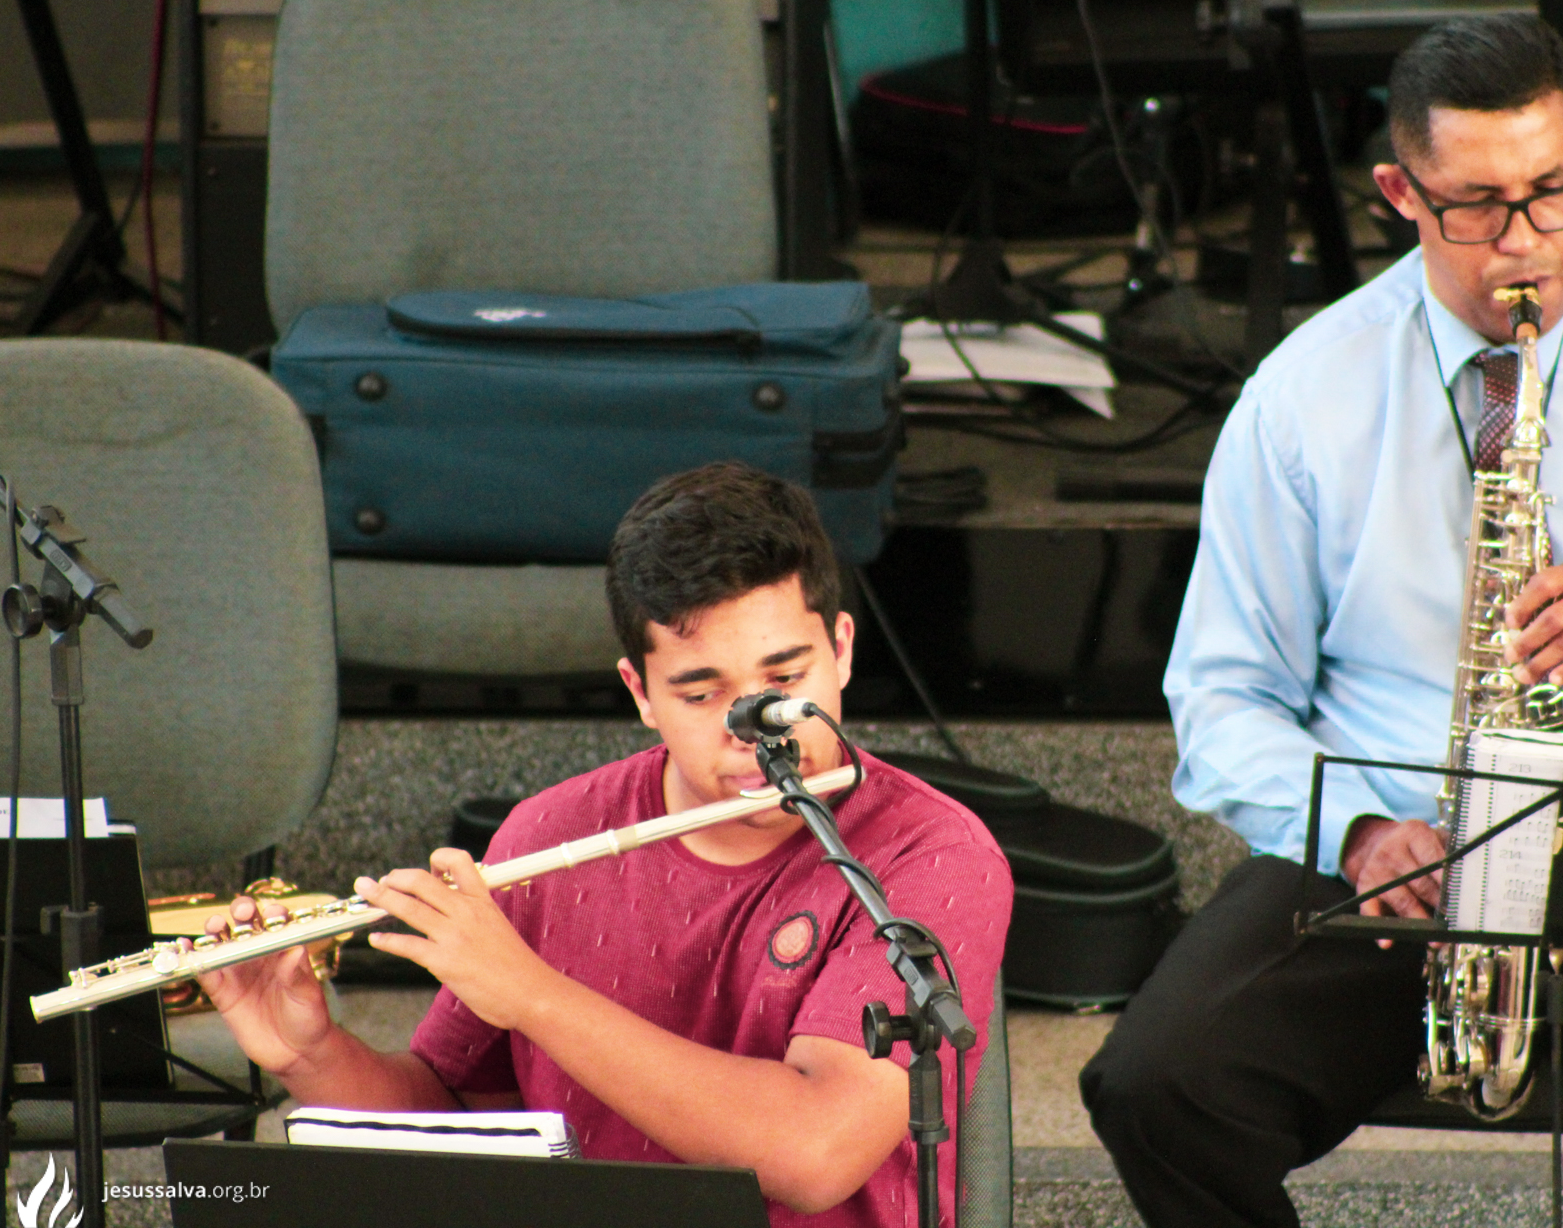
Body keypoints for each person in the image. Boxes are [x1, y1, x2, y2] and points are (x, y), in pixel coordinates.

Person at [1079, 13, 1563, 1228]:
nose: (1526, 243)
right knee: (1156, 1081)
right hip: (1405, 839)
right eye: (1477, 206)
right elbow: (1223, 696)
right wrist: (1358, 832)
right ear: (1402, 192)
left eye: (1554, 192)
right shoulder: (1303, 394)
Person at [199, 462, 1012, 1228]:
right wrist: (311, 1056)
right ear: (641, 693)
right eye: (703, 693)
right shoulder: (550, 836)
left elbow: (814, 1152)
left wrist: (532, 994)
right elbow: (448, 1126)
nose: (753, 732)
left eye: (785, 680)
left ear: (841, 648)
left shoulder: (931, 856)